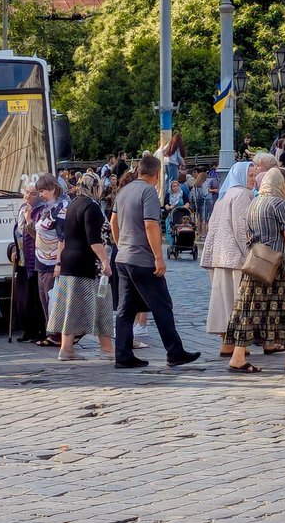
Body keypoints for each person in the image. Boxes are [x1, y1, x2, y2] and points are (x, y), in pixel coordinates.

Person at [110, 154, 200, 369]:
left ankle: (122, 353)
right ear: (157, 173)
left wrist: (120, 244)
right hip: (142, 258)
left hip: (123, 257)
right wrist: (159, 256)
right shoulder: (148, 191)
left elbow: (113, 221)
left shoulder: (124, 190)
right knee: (162, 304)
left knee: (126, 308)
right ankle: (174, 351)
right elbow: (151, 224)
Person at [224, 167, 285, 373]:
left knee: (249, 310)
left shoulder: (254, 203)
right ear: (282, 184)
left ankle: (238, 357)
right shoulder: (280, 204)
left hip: (257, 264)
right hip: (279, 264)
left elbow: (246, 235)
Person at [47, 172, 114, 361]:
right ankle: (107, 349)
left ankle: (66, 349)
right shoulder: (91, 207)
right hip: (88, 264)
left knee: (71, 308)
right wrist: (105, 262)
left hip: (70, 261)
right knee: (103, 305)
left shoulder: (74, 204)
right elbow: (94, 240)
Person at [201, 161, 254, 356]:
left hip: (219, 256)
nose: (254, 181)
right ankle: (237, 344)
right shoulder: (241, 195)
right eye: (250, 176)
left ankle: (226, 343)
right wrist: (249, 254)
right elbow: (242, 229)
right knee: (235, 301)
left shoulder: (224, 196)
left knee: (223, 301)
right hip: (235, 258)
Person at [32, 173, 68, 346]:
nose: (40, 194)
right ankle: (52, 332)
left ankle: (57, 334)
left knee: (51, 297)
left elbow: (62, 237)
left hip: (52, 259)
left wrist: (59, 263)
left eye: (43, 191)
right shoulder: (47, 206)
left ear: (52, 189)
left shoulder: (62, 207)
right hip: (42, 259)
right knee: (44, 297)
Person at [12, 179, 46, 343]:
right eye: (26, 192)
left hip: (36, 260)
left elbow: (38, 235)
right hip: (23, 260)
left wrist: (29, 220)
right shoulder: (23, 209)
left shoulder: (40, 210)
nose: (28, 196)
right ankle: (29, 330)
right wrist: (13, 249)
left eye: (33, 193)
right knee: (25, 298)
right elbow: (18, 233)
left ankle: (39, 331)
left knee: (36, 299)